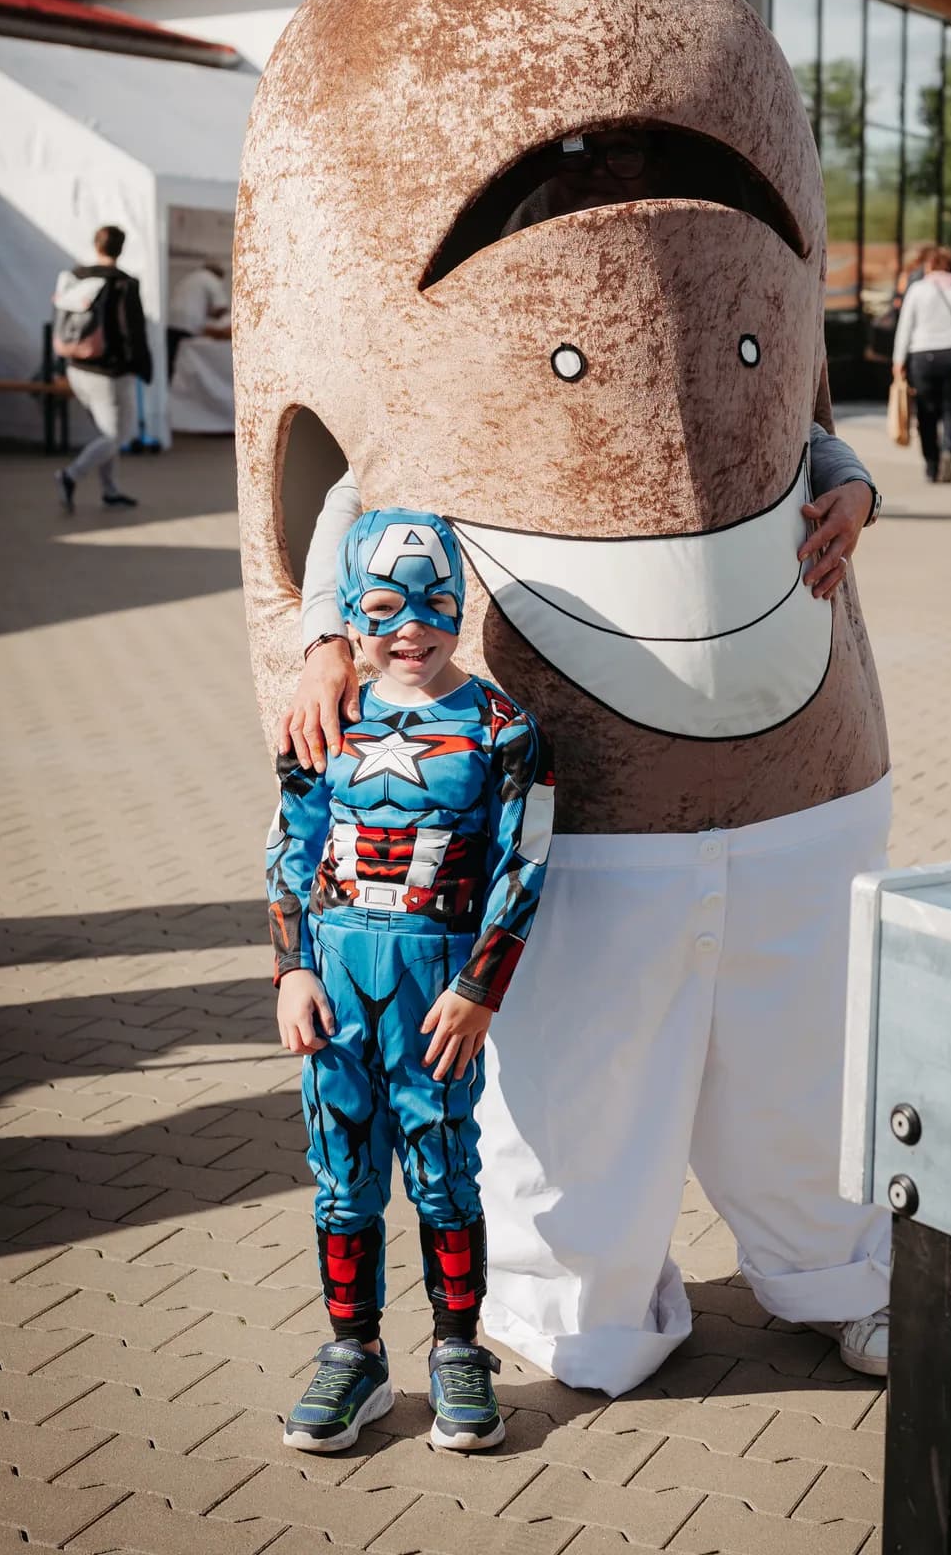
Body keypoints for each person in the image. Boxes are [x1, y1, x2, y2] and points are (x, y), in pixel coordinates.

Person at [239, 0, 895, 1399]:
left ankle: (838, 1269)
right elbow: (350, 509)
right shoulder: (431, 384)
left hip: (811, 775)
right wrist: (325, 644)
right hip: (570, 790)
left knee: (813, 1059)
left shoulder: (762, 323)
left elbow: (808, 427)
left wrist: (852, 493)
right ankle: (580, 1306)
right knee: (585, 1070)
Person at [270, 507, 552, 1454]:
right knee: (342, 1181)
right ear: (352, 610)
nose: (410, 629)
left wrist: (480, 987)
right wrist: (290, 969)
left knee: (443, 1172)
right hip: (339, 979)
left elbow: (525, 863)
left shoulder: (507, 729)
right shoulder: (328, 714)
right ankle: (353, 1354)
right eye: (384, 607)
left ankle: (459, 1350)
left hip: (436, 986)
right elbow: (291, 844)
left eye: (434, 605)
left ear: (460, 606)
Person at [53, 224, 151, 511]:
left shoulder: (74, 278)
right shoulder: (122, 283)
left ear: (96, 245)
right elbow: (135, 330)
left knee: (107, 431)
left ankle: (110, 490)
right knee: (118, 434)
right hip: (108, 372)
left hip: (76, 366)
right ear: (121, 249)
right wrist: (142, 366)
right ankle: (70, 476)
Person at [891, 244, 951, 483]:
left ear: (930, 265)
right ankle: (948, 448)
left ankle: (931, 463)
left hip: (923, 355)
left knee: (926, 412)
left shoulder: (918, 289)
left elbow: (905, 326)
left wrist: (899, 360)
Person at [167, 260, 231, 378]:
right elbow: (220, 309)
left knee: (170, 360)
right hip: (187, 323)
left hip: (171, 322)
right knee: (185, 361)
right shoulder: (212, 279)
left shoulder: (191, 277)